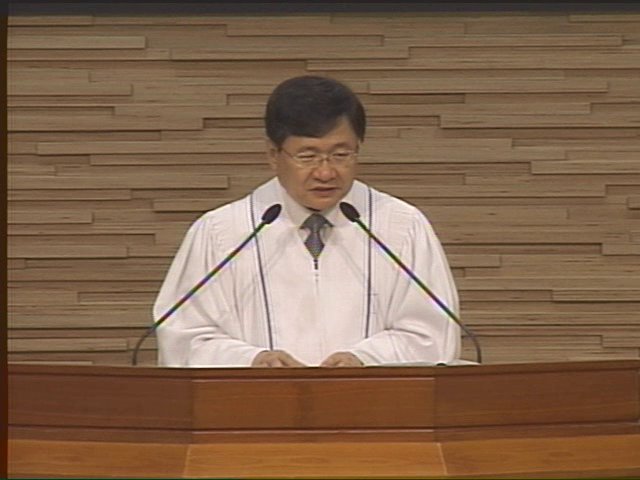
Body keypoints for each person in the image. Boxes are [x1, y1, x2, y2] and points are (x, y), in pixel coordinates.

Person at [154, 75, 461, 367]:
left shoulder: (402, 227)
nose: (325, 172)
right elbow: (185, 337)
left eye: (341, 155)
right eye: (307, 156)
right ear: (273, 154)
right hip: (256, 401)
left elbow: (432, 334)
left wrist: (365, 360)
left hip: (372, 401)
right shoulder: (221, 232)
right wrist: (252, 360)